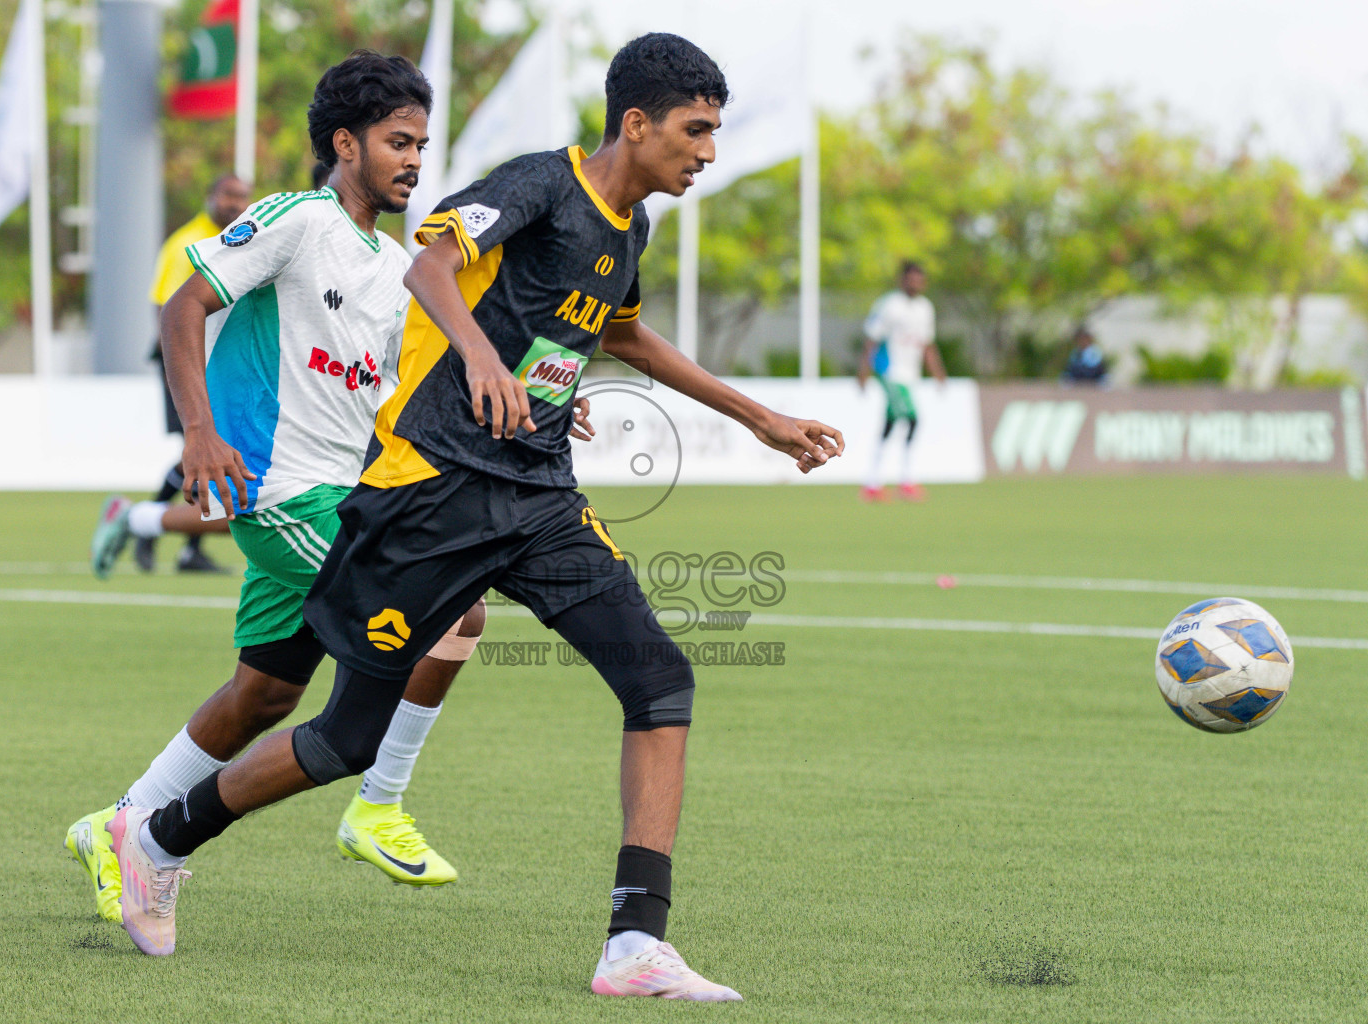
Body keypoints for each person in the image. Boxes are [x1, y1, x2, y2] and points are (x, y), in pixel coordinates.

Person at [105, 34, 844, 1001]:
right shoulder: (540, 183)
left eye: (713, 132)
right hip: (426, 493)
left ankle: (635, 944)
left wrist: (759, 417)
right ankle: (159, 835)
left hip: (537, 495)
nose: (707, 152)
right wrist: (483, 364)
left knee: (659, 679)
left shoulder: (630, 230)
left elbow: (604, 330)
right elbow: (432, 270)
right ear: (637, 123)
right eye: (695, 130)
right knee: (339, 739)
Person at [66, 51, 541, 924]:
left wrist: (525, 399)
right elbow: (181, 306)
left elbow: (414, 387)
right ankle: (380, 803)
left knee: (266, 693)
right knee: (455, 606)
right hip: (280, 493)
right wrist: (200, 435)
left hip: (335, 497)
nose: (413, 160)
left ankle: (120, 824)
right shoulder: (296, 220)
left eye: (422, 145)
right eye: (399, 141)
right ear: (344, 142)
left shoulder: (394, 266)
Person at [90, 174, 253, 578]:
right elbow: (169, 308)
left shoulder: (240, 241)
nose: (236, 203)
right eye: (229, 195)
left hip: (219, 361)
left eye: (243, 197)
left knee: (212, 455)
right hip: (185, 360)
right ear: (210, 197)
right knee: (200, 451)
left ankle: (178, 544)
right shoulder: (187, 243)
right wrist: (182, 364)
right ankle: (145, 523)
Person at [856, 260, 945, 502]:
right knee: (913, 418)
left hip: (910, 376)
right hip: (889, 372)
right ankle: (906, 481)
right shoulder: (889, 305)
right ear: (902, 280)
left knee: (890, 424)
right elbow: (871, 340)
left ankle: (872, 484)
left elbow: (927, 345)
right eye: (911, 278)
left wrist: (938, 373)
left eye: (920, 279)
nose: (916, 283)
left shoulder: (925, 308)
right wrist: (863, 373)